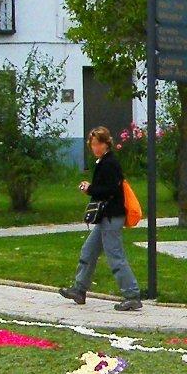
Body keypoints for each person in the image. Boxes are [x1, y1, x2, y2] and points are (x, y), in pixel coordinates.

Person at [59, 127, 142, 311]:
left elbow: (110, 190)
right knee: (88, 251)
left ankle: (132, 294)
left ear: (106, 144)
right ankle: (79, 290)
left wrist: (90, 189)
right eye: (93, 144)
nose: (95, 147)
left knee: (115, 255)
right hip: (106, 216)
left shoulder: (109, 163)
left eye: (99, 143)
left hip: (112, 216)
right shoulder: (103, 161)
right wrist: (92, 188)